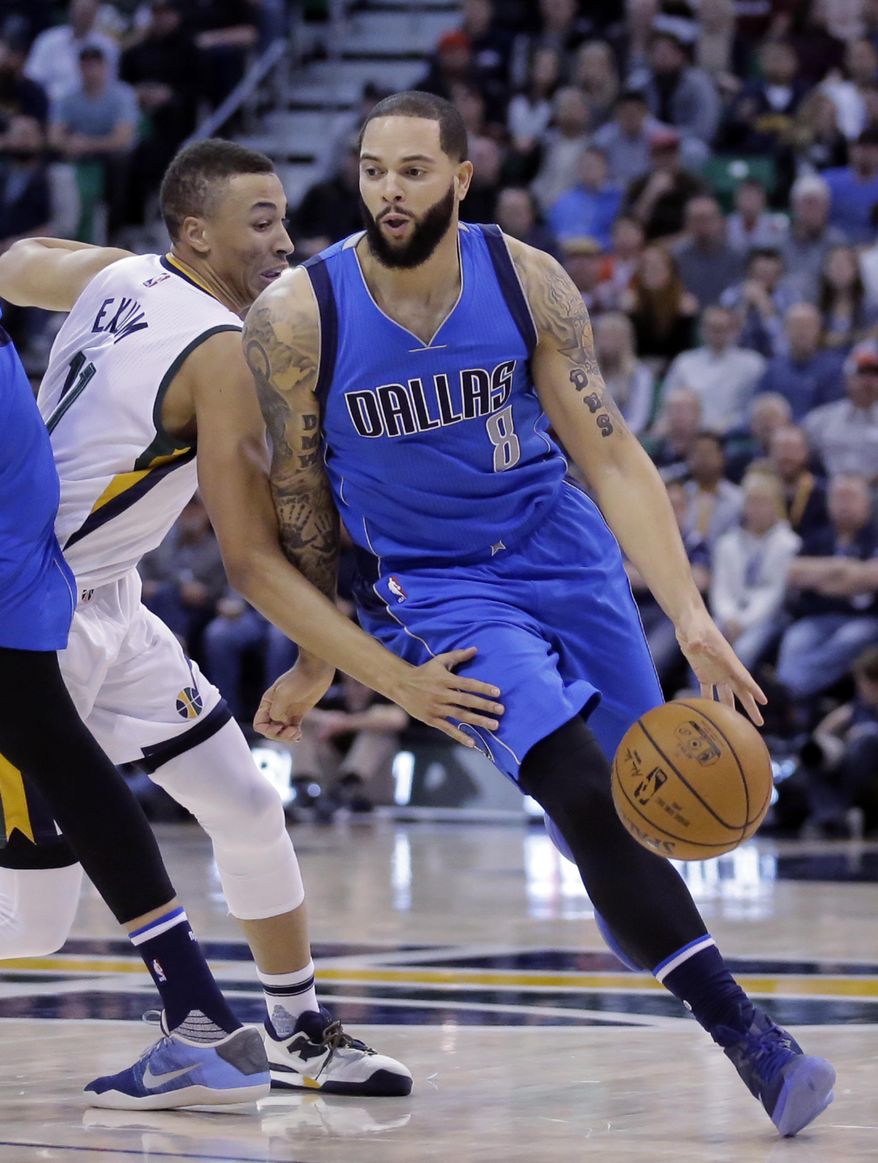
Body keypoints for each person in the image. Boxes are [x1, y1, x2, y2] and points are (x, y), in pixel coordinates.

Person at [245, 90, 836, 1138]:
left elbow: (608, 449)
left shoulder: (527, 281)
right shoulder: (299, 316)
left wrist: (691, 617)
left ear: (462, 177)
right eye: (374, 169)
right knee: (573, 780)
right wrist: (313, 658)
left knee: (638, 797)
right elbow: (300, 504)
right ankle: (750, 1035)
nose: (389, 189)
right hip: (434, 583)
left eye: (414, 170)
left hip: (563, 550)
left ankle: (637, 907)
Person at [0, 139, 505, 1107]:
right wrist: (344, 667)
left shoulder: (119, 272)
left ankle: (296, 1029)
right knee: (31, 925)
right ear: (197, 232)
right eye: (261, 220)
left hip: (112, 600)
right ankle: (209, 1023)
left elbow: (19, 258)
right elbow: (251, 560)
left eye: (282, 215)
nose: (286, 239)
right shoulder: (220, 351)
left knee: (245, 802)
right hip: (39, 616)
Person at [0, 311, 269, 1108]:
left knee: (60, 764)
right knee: (61, 765)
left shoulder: (215, 344)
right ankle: (200, 1013)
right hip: (42, 568)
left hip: (49, 574)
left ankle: (235, 1016)